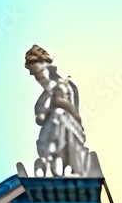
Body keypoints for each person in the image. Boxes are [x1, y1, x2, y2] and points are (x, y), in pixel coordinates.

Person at [24, 45, 91, 177]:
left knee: (58, 116)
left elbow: (75, 114)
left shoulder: (67, 85)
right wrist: (48, 108)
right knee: (55, 119)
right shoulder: (46, 95)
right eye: (35, 76)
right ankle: (51, 166)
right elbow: (39, 117)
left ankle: (67, 166)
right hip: (51, 140)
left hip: (71, 132)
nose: (37, 78)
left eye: (38, 74)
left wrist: (56, 105)